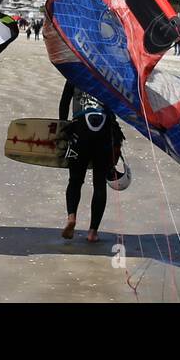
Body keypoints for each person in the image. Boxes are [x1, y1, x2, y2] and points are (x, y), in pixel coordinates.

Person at [59, 80, 122, 243]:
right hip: (104, 130)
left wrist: (63, 127)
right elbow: (119, 103)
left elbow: (65, 101)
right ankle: (93, 232)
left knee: (75, 180)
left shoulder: (74, 70)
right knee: (99, 183)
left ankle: (71, 217)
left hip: (80, 129)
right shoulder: (108, 74)